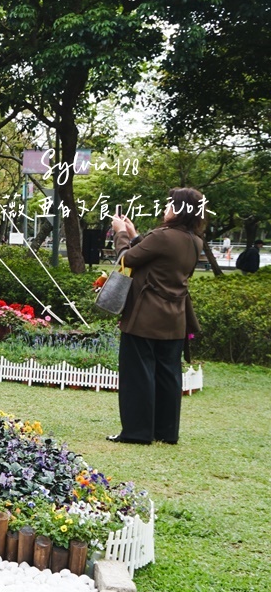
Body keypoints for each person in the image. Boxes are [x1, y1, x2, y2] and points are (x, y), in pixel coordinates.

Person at [108, 188, 206, 445]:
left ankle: (137, 433)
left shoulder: (163, 236)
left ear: (180, 210)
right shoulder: (195, 240)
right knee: (168, 375)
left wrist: (119, 232)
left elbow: (125, 260)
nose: (166, 209)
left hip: (145, 316)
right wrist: (135, 235)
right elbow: (159, 259)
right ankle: (166, 432)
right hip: (175, 318)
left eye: (170, 205)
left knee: (138, 374)